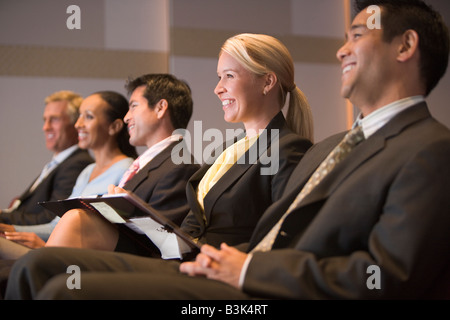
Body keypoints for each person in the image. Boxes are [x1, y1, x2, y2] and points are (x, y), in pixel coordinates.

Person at [6, 0, 449, 300]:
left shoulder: (429, 149)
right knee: (35, 270)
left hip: (255, 287)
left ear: (405, 46)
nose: (341, 50)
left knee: (65, 287)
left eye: (355, 36)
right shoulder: (333, 148)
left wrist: (247, 271)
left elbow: (388, 277)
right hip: (225, 266)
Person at [41, 34, 313, 257]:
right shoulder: (227, 149)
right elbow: (189, 232)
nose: (218, 88)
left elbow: (280, 237)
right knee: (74, 224)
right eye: (219, 77)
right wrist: (137, 211)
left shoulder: (286, 149)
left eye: (228, 76)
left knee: (68, 236)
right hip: (182, 257)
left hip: (212, 268)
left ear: (267, 81)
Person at [42, 74, 201, 255]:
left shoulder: (180, 166)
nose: (126, 117)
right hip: (115, 252)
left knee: (76, 219)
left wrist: (129, 210)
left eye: (133, 106)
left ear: (160, 108)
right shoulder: (149, 163)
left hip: (138, 264)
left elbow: (164, 245)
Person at [0, 91, 137, 258]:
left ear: (114, 126)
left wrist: (44, 248)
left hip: (79, 260)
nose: (78, 124)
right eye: (79, 116)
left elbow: (109, 236)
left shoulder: (127, 169)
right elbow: (56, 225)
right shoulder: (87, 171)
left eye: (88, 117)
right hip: (54, 251)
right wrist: (12, 229)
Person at [0, 90, 93, 226]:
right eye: (45, 120)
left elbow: (50, 219)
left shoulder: (77, 163)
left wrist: (3, 216)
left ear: (75, 124)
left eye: (54, 119)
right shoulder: (60, 162)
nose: (46, 127)